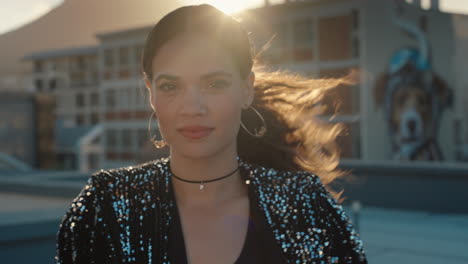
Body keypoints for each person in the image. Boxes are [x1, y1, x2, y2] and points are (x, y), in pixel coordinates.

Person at [55, 4, 367, 264]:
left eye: (214, 83)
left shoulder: (305, 205)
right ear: (151, 94)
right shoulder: (105, 208)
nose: (192, 107)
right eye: (170, 86)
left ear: (246, 89)